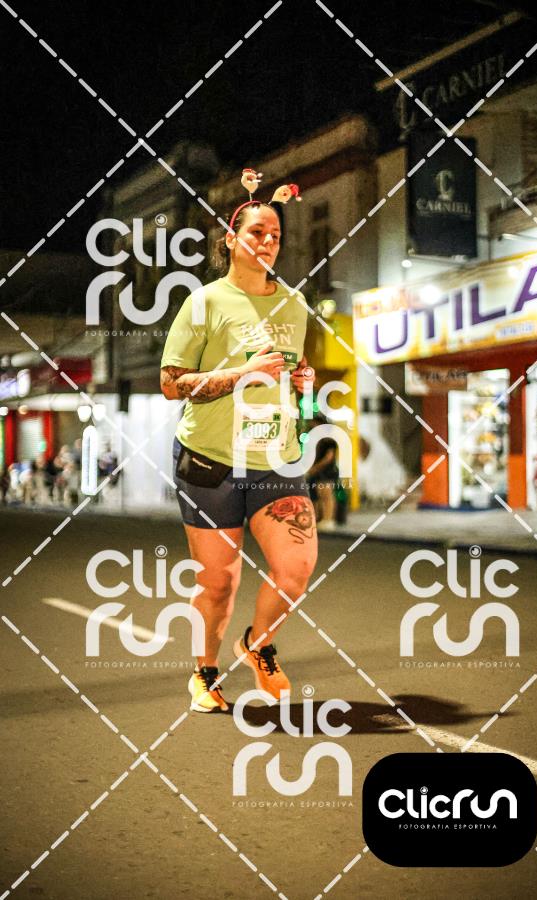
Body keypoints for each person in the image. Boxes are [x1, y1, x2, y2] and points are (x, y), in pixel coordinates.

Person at [160, 179, 318, 714]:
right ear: (230, 239)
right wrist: (241, 374)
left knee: (295, 568)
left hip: (275, 458)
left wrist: (302, 379)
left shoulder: (294, 304)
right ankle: (204, 673)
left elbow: (292, 366)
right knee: (219, 583)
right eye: (257, 232)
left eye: (275, 234)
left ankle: (257, 644)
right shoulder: (204, 302)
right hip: (209, 462)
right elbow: (172, 384)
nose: (268, 241)